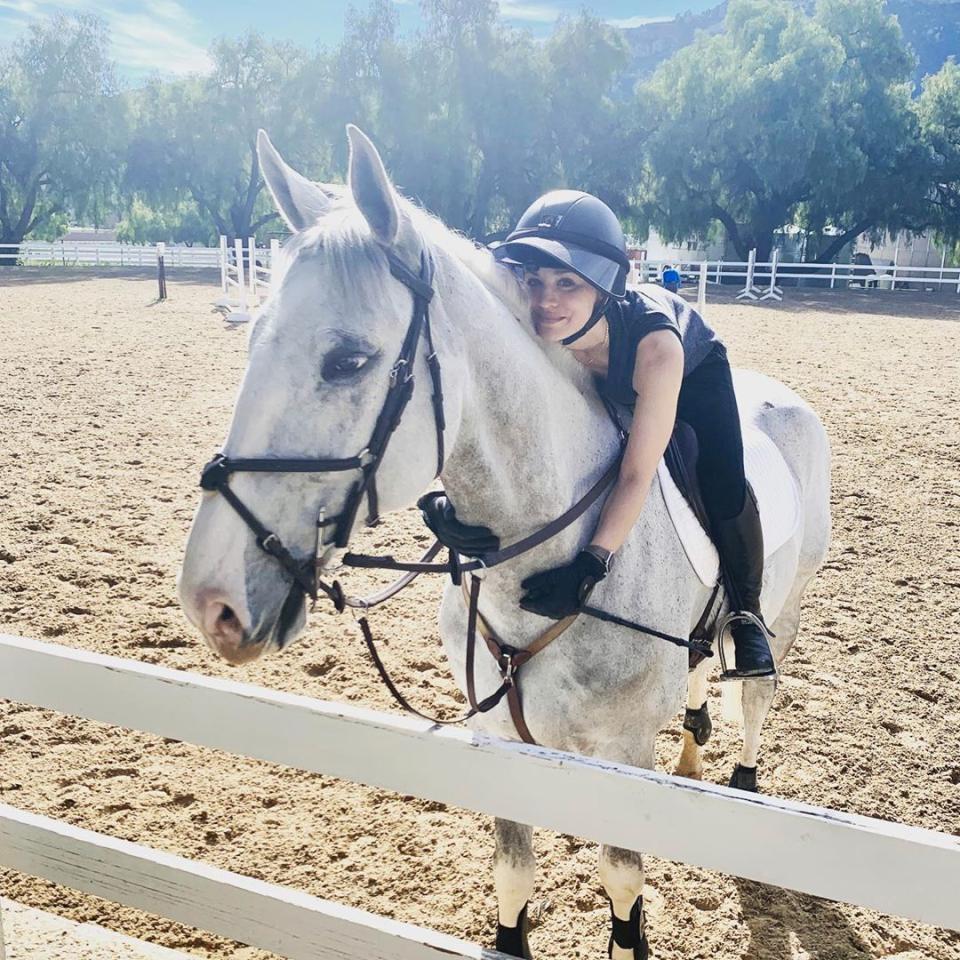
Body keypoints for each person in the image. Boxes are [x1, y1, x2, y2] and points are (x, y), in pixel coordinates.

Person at [419, 189, 775, 680]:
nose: (546, 300)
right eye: (536, 279)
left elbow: (635, 475)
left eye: (568, 282)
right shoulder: (529, 319)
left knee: (720, 479)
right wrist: (442, 496)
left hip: (688, 371)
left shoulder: (657, 349)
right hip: (612, 365)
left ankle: (746, 614)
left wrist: (592, 563)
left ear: (603, 287)